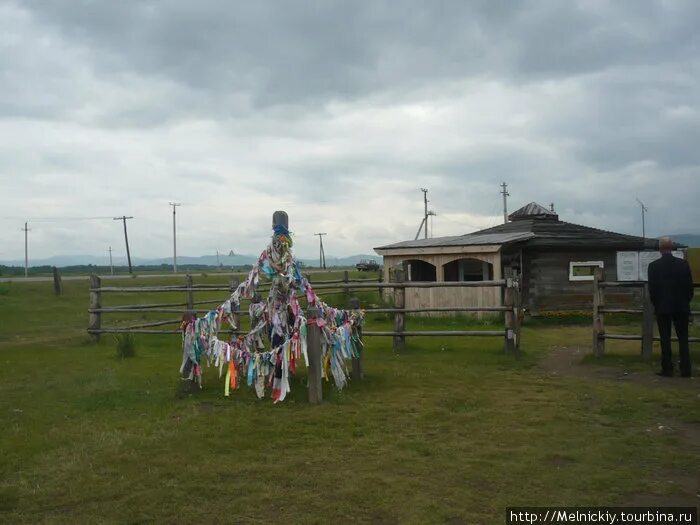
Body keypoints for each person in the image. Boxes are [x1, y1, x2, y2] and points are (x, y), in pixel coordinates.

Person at [648, 237, 694, 377]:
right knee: (683, 338)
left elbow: (653, 290)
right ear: (672, 247)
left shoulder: (654, 266)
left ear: (660, 249)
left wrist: (657, 303)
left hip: (663, 306)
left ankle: (667, 368)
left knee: (665, 338)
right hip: (681, 306)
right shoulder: (683, 264)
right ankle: (686, 368)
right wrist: (686, 301)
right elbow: (689, 288)